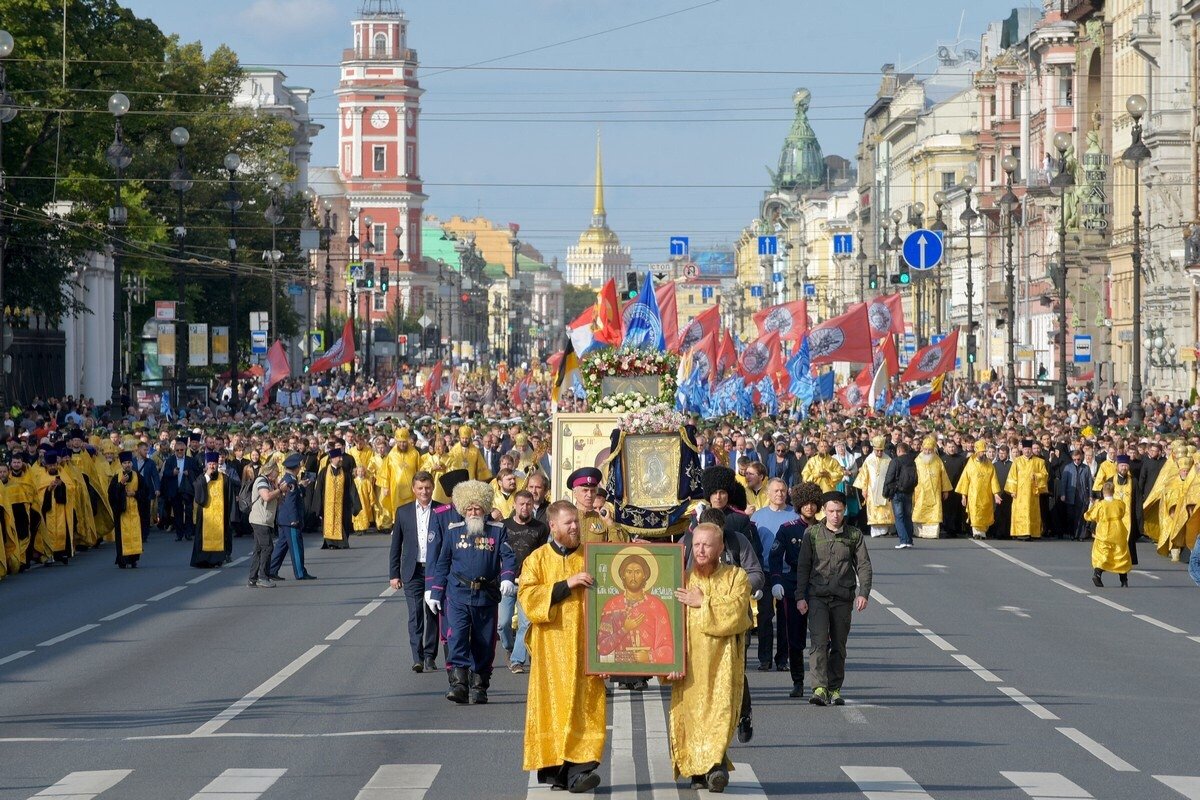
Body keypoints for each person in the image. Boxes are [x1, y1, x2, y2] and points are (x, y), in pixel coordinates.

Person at [519, 500, 607, 794]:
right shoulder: (537, 559)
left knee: (586, 707)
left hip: (586, 648)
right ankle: (561, 773)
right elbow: (529, 599)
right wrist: (566, 584)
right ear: (553, 526)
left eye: (576, 522)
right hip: (551, 652)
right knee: (554, 708)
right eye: (568, 522)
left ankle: (581, 770)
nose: (574, 527)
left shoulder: (590, 557)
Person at [665, 522, 753, 793]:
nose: (701, 550)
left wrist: (703, 602)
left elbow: (739, 612)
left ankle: (716, 766)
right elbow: (665, 622)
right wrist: (668, 662)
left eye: (707, 545)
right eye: (697, 544)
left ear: (720, 547)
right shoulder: (682, 578)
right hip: (688, 663)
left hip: (722, 664)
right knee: (689, 716)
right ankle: (696, 771)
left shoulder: (736, 577)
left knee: (719, 714)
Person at [428, 479, 516, 705]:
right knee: (456, 636)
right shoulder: (453, 532)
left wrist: (507, 577)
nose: (474, 512)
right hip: (457, 594)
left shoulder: (497, 531)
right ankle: (458, 684)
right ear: (462, 509)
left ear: (485, 508)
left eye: (477, 507)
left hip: (486, 596)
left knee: (484, 642)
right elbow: (442, 563)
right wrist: (435, 592)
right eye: (469, 508)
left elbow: (508, 557)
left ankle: (479, 686)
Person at [795, 491, 873, 707]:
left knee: (839, 645)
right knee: (819, 643)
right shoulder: (812, 534)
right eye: (831, 511)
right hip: (818, 597)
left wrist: (863, 593)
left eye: (839, 511)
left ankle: (835, 688)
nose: (835, 515)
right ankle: (819, 688)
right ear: (824, 511)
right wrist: (800, 596)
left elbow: (864, 566)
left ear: (844, 511)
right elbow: (803, 567)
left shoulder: (854, 535)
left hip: (842, 599)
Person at [769, 481, 822, 698]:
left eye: (813, 503)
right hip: (792, 587)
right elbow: (774, 556)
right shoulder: (787, 529)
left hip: (820, 588)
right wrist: (776, 581)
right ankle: (798, 682)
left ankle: (821, 682)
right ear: (799, 504)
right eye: (805, 503)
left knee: (822, 639)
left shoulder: (825, 528)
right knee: (795, 638)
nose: (809, 507)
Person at [390, 471, 443, 672]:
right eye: (420, 488)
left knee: (432, 613)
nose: (424, 492)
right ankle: (417, 657)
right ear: (413, 489)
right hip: (412, 571)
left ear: (432, 488)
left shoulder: (441, 510)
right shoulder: (403, 512)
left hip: (434, 570)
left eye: (427, 487)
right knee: (415, 615)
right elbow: (396, 545)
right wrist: (394, 574)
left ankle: (430, 655)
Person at [597, 549, 676, 667]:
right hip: (618, 669)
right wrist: (624, 629)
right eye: (629, 572)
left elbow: (669, 650)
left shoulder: (656, 606)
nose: (633, 577)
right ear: (622, 575)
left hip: (650, 670)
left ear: (645, 575)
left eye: (638, 572)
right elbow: (602, 647)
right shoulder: (612, 605)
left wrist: (650, 656)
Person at [750, 478, 796, 671]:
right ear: (768, 493)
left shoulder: (794, 515)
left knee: (786, 619)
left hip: (787, 573)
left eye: (783, 491)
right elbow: (752, 547)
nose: (779, 494)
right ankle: (764, 658)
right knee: (765, 617)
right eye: (776, 491)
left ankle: (783, 659)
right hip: (765, 573)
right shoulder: (757, 517)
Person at [500, 489, 548, 673]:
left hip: (529, 583)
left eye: (528, 504)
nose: (525, 507)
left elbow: (543, 555)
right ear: (514, 505)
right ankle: (509, 647)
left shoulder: (541, 528)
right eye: (521, 504)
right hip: (507, 581)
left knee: (525, 623)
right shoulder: (503, 526)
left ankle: (517, 660)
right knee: (503, 623)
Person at [268, 453, 315, 581]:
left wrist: (302, 487)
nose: (300, 468)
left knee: (281, 547)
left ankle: (271, 570)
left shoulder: (286, 479)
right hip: (290, 520)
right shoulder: (292, 482)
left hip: (283, 519)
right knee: (296, 546)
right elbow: (291, 502)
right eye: (299, 466)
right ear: (296, 468)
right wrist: (295, 519)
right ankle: (300, 572)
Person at [1084, 480, 1131, 587]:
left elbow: (1090, 516)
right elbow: (1123, 512)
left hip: (1104, 532)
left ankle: (1097, 574)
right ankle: (1124, 579)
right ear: (1113, 491)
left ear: (1102, 492)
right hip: (1118, 531)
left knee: (1102, 554)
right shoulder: (1119, 503)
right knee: (1120, 554)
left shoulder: (1100, 505)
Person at [192, 452, 233, 568]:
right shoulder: (202, 478)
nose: (212, 466)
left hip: (220, 515)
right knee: (203, 537)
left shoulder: (224, 479)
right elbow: (198, 492)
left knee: (221, 535)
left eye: (214, 464)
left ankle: (217, 560)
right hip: (205, 516)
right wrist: (207, 477)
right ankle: (203, 560)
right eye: (210, 464)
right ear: (206, 465)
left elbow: (229, 497)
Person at [315, 448, 362, 550]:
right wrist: (318, 508)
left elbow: (352, 489)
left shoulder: (345, 473)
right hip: (327, 506)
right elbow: (318, 490)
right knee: (328, 522)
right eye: (339, 457)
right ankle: (330, 543)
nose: (341, 459)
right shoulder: (323, 472)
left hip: (343, 505)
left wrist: (355, 505)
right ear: (332, 459)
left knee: (343, 523)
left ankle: (341, 543)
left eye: (341, 457)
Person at [247, 460, 282, 588]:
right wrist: (279, 490)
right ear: (270, 471)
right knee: (268, 547)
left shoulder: (269, 482)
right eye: (276, 472)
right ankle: (263, 577)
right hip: (260, 520)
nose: (277, 474)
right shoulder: (261, 480)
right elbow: (266, 496)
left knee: (258, 549)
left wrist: (278, 489)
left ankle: (253, 578)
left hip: (264, 520)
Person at [108, 451, 147, 569]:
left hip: (135, 511)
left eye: (129, 462)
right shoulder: (116, 478)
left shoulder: (138, 476)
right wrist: (121, 484)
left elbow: (145, 492)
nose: (127, 465)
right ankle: (122, 560)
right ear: (121, 464)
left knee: (134, 535)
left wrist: (135, 493)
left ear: (132, 463)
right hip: (122, 513)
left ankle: (134, 559)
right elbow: (111, 494)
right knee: (122, 537)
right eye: (125, 463)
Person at [1006, 439, 1050, 541]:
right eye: (1025, 449)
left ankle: (1033, 532)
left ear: (1031, 450)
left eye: (1029, 449)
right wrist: (1012, 490)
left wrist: (1036, 476)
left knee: (1032, 513)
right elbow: (1012, 477)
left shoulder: (1039, 462)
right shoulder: (1017, 461)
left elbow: (1045, 475)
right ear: (1022, 450)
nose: (1027, 451)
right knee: (1020, 513)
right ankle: (1020, 532)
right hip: (1019, 494)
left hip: (1032, 494)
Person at [956, 441, 1001, 540]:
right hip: (974, 494)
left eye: (984, 451)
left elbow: (994, 480)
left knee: (985, 512)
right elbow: (965, 479)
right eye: (981, 452)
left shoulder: (989, 464)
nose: (983, 454)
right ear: (976, 451)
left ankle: (983, 533)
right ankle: (976, 532)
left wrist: (996, 494)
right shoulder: (970, 463)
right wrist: (963, 496)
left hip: (986, 494)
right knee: (975, 512)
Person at [161, 436, 200, 542]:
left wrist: (189, 473)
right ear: (174, 450)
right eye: (177, 450)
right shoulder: (170, 460)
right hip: (175, 489)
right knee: (177, 513)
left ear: (185, 450)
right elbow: (165, 474)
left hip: (187, 490)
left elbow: (197, 472)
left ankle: (188, 533)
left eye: (181, 450)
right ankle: (179, 534)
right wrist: (172, 473)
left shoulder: (191, 461)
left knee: (188, 511)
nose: (179, 452)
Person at [912, 437, 952, 540]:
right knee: (920, 511)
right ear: (922, 448)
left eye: (930, 450)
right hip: (921, 492)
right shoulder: (917, 460)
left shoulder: (938, 460)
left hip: (934, 492)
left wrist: (945, 490)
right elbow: (913, 476)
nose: (927, 451)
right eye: (925, 449)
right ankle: (919, 532)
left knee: (934, 513)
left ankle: (932, 533)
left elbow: (943, 475)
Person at [854, 435, 893, 538]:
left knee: (884, 508)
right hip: (872, 489)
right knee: (874, 509)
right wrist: (864, 489)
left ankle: (884, 530)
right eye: (877, 451)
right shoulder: (869, 460)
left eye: (881, 451)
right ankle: (875, 531)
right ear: (874, 449)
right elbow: (864, 476)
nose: (879, 453)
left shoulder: (888, 459)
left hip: (884, 489)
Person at [883, 441, 917, 548]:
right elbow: (916, 479)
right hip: (909, 492)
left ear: (898, 451)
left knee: (899, 517)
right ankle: (909, 540)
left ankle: (903, 540)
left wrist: (886, 492)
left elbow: (889, 477)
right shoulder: (912, 462)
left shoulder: (895, 461)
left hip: (897, 492)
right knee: (908, 516)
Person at [1059, 449, 1093, 540]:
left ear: (1081, 458)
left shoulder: (1086, 468)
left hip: (1082, 495)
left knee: (1081, 516)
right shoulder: (1068, 467)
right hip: (1070, 494)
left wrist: (1090, 495)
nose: (1077, 461)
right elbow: (1064, 482)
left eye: (1078, 459)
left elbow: (1090, 482)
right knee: (1071, 515)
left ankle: (1080, 535)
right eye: (1075, 459)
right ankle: (1072, 533)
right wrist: (1063, 494)